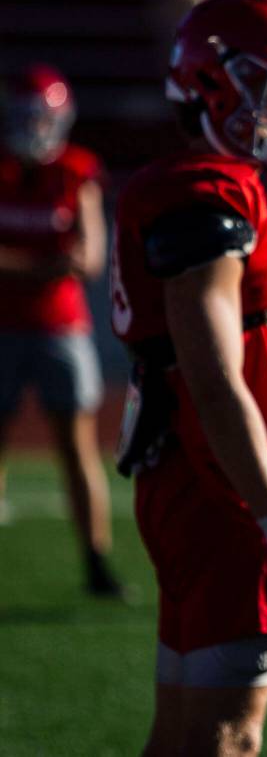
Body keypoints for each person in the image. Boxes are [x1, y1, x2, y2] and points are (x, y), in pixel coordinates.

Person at [110, 0, 267, 756]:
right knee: (228, 738)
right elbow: (213, 374)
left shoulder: (203, 181)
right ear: (217, 82)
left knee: (182, 735)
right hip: (225, 497)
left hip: (212, 484)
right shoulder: (208, 187)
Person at [0, 64, 123, 596]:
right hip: (5, 326)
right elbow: (65, 259)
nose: (34, 127)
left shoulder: (76, 169)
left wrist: (22, 264)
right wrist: (47, 264)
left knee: (78, 448)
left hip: (60, 327)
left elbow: (89, 257)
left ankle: (97, 562)